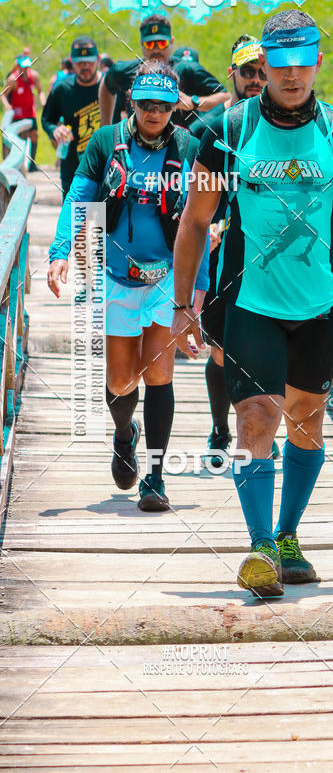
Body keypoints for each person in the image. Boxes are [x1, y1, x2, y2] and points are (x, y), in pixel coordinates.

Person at [171, 9, 333, 597]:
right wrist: (183, 306)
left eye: (301, 63)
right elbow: (194, 221)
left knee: (308, 421)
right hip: (249, 303)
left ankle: (287, 535)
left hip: (318, 304)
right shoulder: (228, 132)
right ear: (264, 64)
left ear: (316, 61)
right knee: (256, 417)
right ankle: (259, 547)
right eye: (278, 64)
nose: (290, 75)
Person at [48, 60, 210, 512]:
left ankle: (155, 478)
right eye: (145, 104)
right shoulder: (105, 143)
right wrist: (61, 250)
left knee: (159, 374)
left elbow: (201, 223)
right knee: (120, 379)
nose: (154, 112)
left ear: (175, 105)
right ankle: (125, 434)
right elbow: (78, 197)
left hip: (165, 278)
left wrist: (197, 293)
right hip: (116, 276)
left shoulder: (191, 147)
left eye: (163, 104)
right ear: (131, 103)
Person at [189, 35, 270, 468]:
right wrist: (210, 228)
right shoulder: (208, 130)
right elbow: (190, 206)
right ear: (231, 75)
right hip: (218, 256)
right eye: (248, 72)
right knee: (220, 350)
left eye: (262, 71)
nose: (256, 80)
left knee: (267, 345)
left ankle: (258, 430)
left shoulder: (285, 127)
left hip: (267, 258)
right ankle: (221, 428)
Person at [98, 15, 229, 129]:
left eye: (162, 43)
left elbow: (226, 97)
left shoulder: (187, 69)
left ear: (171, 42)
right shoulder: (126, 71)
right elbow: (107, 84)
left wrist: (193, 102)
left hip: (180, 150)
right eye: (150, 44)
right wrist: (106, 126)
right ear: (141, 43)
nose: (156, 49)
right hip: (137, 148)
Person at [42, 37, 102, 199]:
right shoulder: (62, 89)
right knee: (77, 222)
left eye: (89, 61)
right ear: (71, 62)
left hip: (105, 169)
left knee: (99, 222)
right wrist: (55, 129)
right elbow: (47, 119)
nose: (85, 66)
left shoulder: (109, 86)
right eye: (79, 62)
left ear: (98, 60)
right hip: (73, 169)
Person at [1, 50, 46, 170]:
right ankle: (14, 166)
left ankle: (32, 164)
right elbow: (3, 95)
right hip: (17, 114)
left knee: (34, 135)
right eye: (23, 67)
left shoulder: (34, 76)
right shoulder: (13, 79)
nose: (25, 69)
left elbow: (40, 91)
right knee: (16, 139)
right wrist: (7, 105)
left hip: (29, 112)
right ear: (18, 66)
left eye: (27, 67)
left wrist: (43, 101)